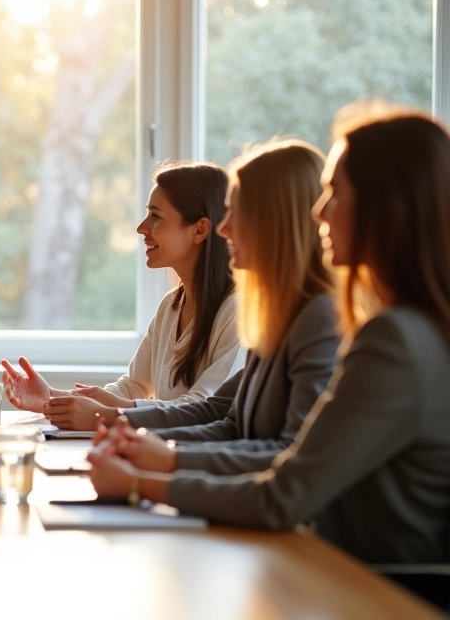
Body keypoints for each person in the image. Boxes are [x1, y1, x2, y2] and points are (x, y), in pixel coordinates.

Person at [89, 103, 450, 566]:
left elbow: (287, 489)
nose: (318, 212)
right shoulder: (389, 327)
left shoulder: (391, 339)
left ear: (387, 208)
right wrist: (150, 450)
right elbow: (230, 418)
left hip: (375, 592)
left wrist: (143, 481)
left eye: (335, 194)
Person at [74, 141, 339, 475]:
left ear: (277, 223)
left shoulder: (316, 320)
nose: (223, 228)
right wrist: (135, 440)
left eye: (237, 214)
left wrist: (157, 466)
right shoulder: (278, 314)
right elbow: (222, 416)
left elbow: (291, 456)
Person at [3, 162, 244, 430]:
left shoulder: (237, 312)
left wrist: (115, 411)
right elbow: (134, 386)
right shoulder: (171, 306)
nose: (142, 227)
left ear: (199, 230)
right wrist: (51, 399)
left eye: (156, 216)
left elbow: (203, 408)